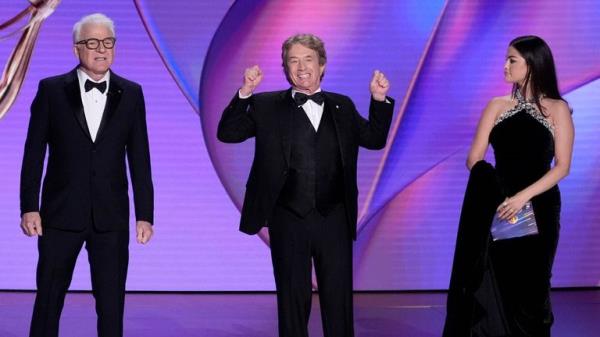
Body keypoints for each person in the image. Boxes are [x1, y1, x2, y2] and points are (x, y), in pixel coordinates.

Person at [217, 33, 394, 337]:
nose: (301, 68)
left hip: (334, 218)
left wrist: (379, 101)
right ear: (285, 69)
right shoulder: (266, 105)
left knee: (337, 299)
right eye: (293, 61)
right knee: (292, 299)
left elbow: (374, 140)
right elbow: (228, 133)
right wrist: (245, 92)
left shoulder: (342, 106)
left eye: (308, 59)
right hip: (288, 217)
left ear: (322, 65)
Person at [19, 13, 154, 337]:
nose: (101, 49)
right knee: (49, 300)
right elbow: (34, 153)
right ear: (77, 48)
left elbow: (140, 157)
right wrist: (29, 206)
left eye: (107, 42)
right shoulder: (51, 90)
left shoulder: (131, 93)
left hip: (112, 218)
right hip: (59, 213)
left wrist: (145, 215)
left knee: (111, 304)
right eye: (92, 42)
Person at [444, 35, 574, 337]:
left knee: (534, 286)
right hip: (500, 207)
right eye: (505, 59)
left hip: (539, 208)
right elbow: (474, 158)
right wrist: (502, 195)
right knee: (497, 283)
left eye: (512, 60)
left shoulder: (557, 109)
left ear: (531, 64)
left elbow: (563, 166)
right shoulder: (496, 106)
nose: (504, 65)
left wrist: (523, 197)